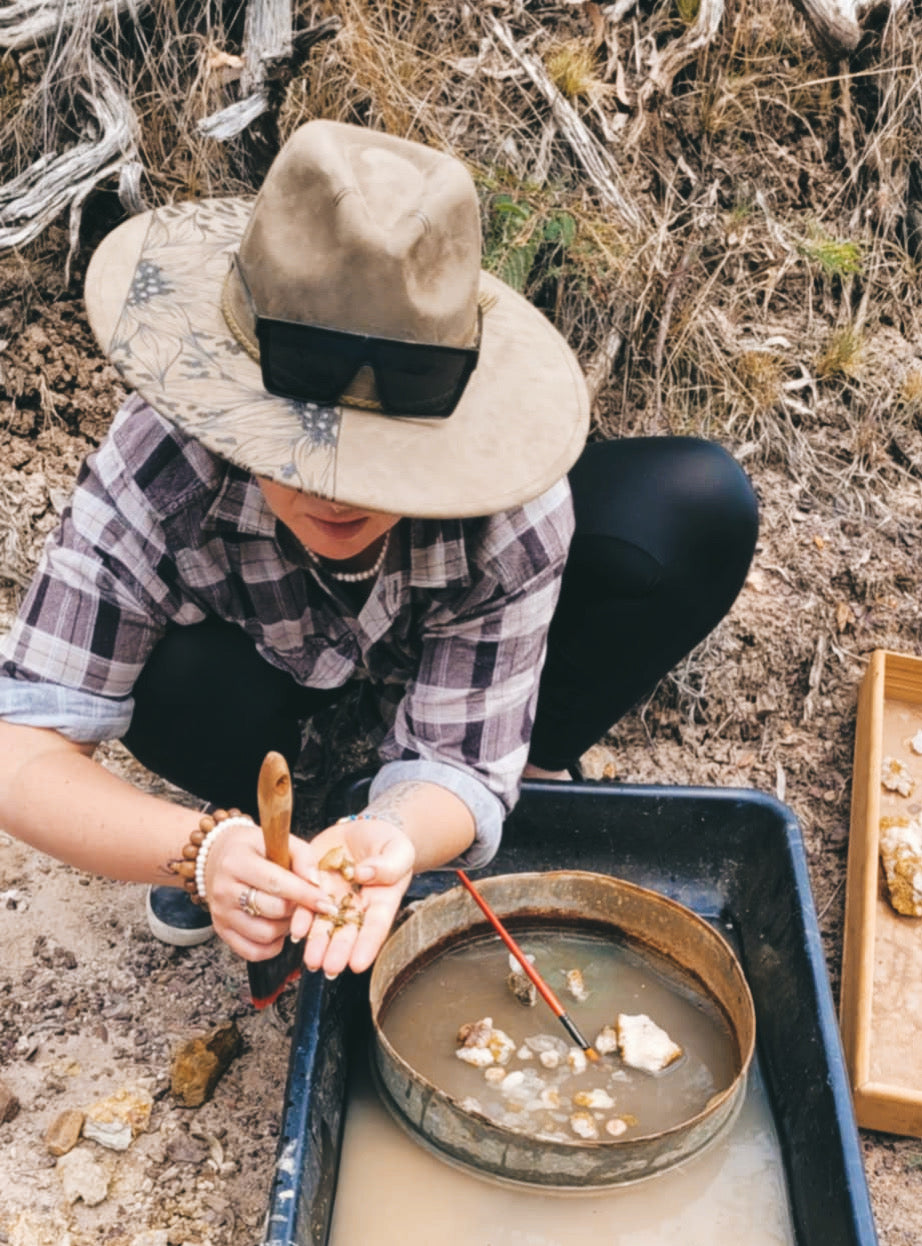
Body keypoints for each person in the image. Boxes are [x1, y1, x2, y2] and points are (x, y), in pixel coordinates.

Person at [0, 120, 758, 987]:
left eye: (382, 450)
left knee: (696, 503)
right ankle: (261, 842)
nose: (338, 491)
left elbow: (457, 766)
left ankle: (522, 772)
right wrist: (200, 851)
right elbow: (22, 747)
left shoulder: (513, 505)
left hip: (432, 679)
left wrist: (400, 831)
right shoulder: (160, 465)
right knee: (171, 682)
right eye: (302, 447)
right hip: (259, 692)